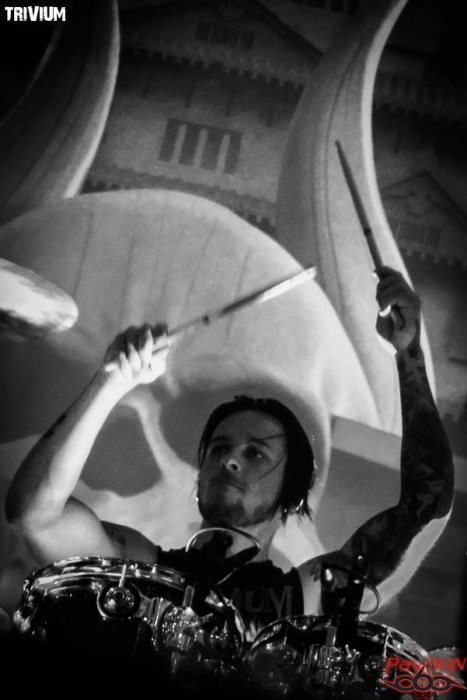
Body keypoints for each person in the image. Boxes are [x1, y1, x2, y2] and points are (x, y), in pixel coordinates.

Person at [4, 267, 454, 656]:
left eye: (255, 452)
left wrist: (410, 354)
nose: (230, 461)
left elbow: (427, 500)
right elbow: (35, 515)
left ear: (293, 490)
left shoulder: (307, 596)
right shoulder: (143, 569)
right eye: (218, 449)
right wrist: (111, 381)